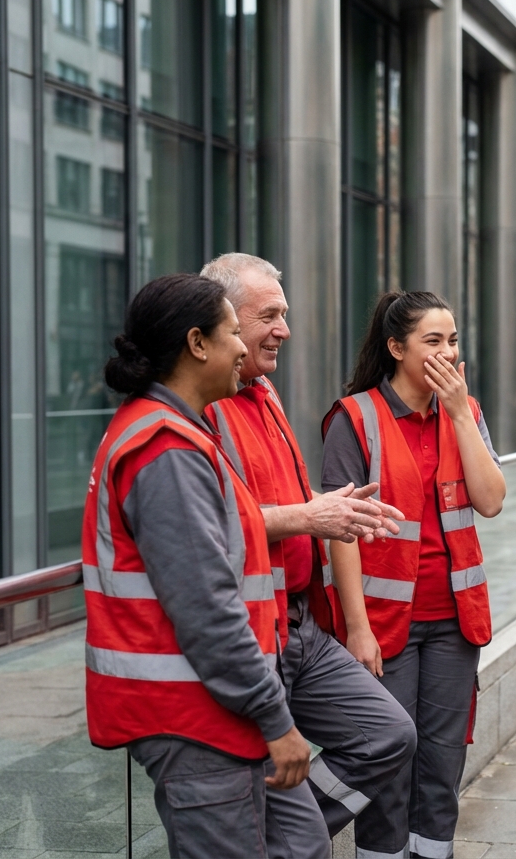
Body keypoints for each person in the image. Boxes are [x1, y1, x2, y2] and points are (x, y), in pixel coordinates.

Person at [83, 274, 307, 858]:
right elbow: (207, 608)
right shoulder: (165, 448)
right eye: (234, 332)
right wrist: (274, 718)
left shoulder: (176, 431)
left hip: (209, 710)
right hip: (194, 718)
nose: (242, 348)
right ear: (197, 344)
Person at [200, 254, 417, 855]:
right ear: (219, 324)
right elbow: (210, 523)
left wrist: (331, 508)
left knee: (389, 733)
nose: (284, 330)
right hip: (249, 632)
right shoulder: (201, 406)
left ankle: (273, 836)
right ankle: (278, 837)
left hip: (296, 623)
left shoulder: (262, 391)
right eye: (269, 316)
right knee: (290, 824)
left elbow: (279, 497)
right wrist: (308, 516)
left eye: (285, 315)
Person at [322, 291, 507, 859]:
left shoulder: (465, 413)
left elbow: (491, 500)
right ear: (396, 347)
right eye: (433, 341)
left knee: (442, 763)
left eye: (452, 341)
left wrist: (457, 414)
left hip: (455, 623)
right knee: (388, 769)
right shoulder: (354, 418)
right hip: (382, 626)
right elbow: (339, 528)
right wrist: (357, 628)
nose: (447, 353)